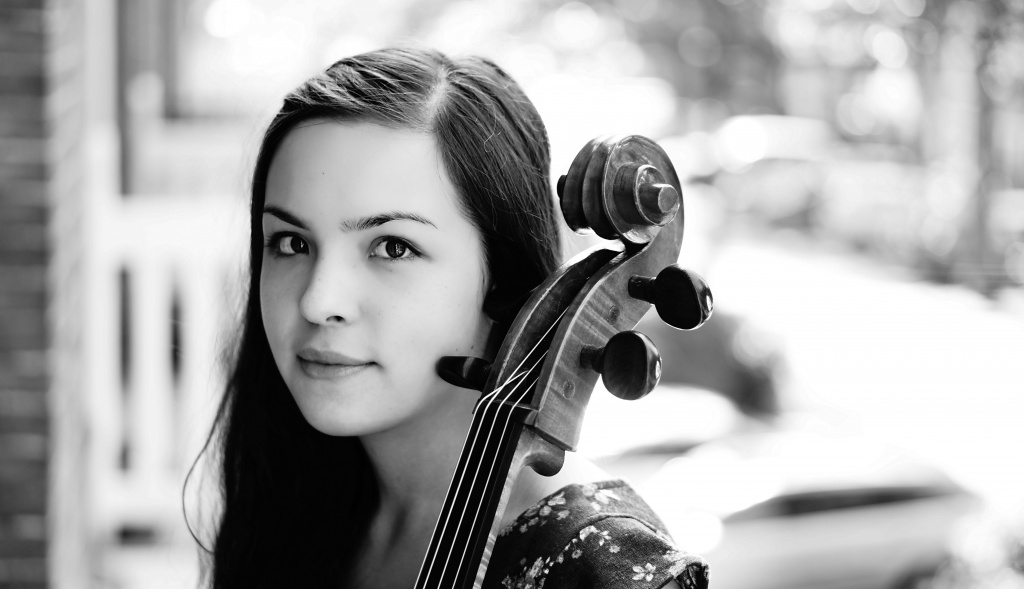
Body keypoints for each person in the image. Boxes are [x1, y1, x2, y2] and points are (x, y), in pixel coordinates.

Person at [194, 46, 709, 589]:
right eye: (291, 242)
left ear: (501, 276)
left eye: (393, 247)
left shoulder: (601, 570)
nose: (318, 302)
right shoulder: (300, 506)